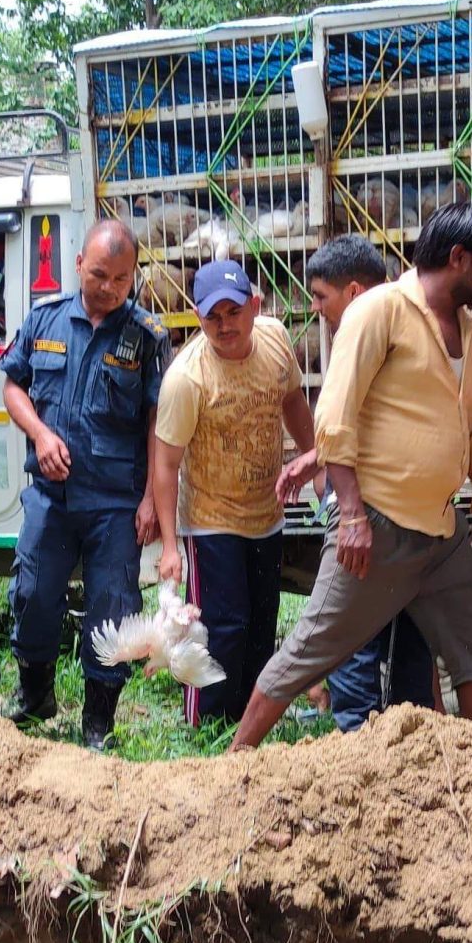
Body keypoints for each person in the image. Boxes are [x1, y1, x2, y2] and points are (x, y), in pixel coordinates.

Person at [228, 204, 472, 751]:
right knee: (310, 649)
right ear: (457, 259)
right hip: (379, 529)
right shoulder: (378, 313)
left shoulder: (469, 327)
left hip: (440, 531)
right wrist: (353, 517)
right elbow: (335, 419)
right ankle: (233, 761)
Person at [0, 221, 167, 748]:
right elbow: (12, 386)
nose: (109, 288)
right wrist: (41, 434)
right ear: (78, 265)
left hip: (115, 503)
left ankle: (98, 722)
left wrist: (150, 501)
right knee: (32, 593)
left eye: (121, 279)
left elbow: (158, 425)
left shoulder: (146, 335)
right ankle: (36, 697)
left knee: (111, 610)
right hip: (50, 498)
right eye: (99, 275)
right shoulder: (44, 319)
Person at [148, 258, 315, 726]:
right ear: (198, 317)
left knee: (262, 624)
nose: (224, 325)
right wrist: (170, 544)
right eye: (211, 316)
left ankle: (250, 723)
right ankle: (207, 724)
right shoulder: (186, 378)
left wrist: (319, 462)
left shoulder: (276, 340)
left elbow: (293, 404)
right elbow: (166, 463)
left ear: (254, 306)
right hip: (210, 520)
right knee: (222, 627)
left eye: (233, 312)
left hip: (267, 514)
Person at [304, 235, 438, 731]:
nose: (315, 308)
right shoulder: (417, 327)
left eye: (321, 296)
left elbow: (343, 422)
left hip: (370, 508)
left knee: (354, 628)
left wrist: (352, 514)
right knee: (408, 628)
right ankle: (407, 733)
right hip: (412, 508)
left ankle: (359, 737)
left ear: (354, 291)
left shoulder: (366, 332)